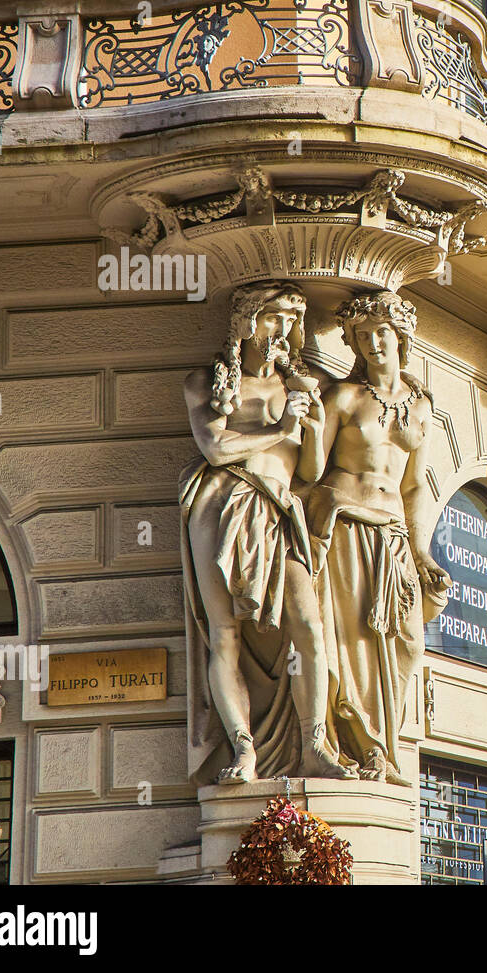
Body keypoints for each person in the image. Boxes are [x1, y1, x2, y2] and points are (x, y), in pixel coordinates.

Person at [180, 280, 355, 785]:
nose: (282, 331)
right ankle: (243, 748)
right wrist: (281, 429)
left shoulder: (297, 386)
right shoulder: (205, 382)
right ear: (245, 321)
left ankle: (315, 743)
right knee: (225, 633)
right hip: (220, 502)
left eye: (290, 321)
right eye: (273, 317)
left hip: (280, 508)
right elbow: (215, 449)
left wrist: (315, 425)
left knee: (309, 625)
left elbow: (312, 472)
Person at [298, 290, 450, 785]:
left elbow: (416, 486)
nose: (372, 344)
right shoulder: (343, 397)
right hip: (345, 526)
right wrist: (305, 423)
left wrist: (424, 552)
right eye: (362, 337)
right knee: (354, 640)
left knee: (407, 641)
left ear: (401, 336)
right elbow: (312, 472)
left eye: (381, 333)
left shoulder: (420, 406)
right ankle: (366, 751)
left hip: (393, 535)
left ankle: (386, 742)